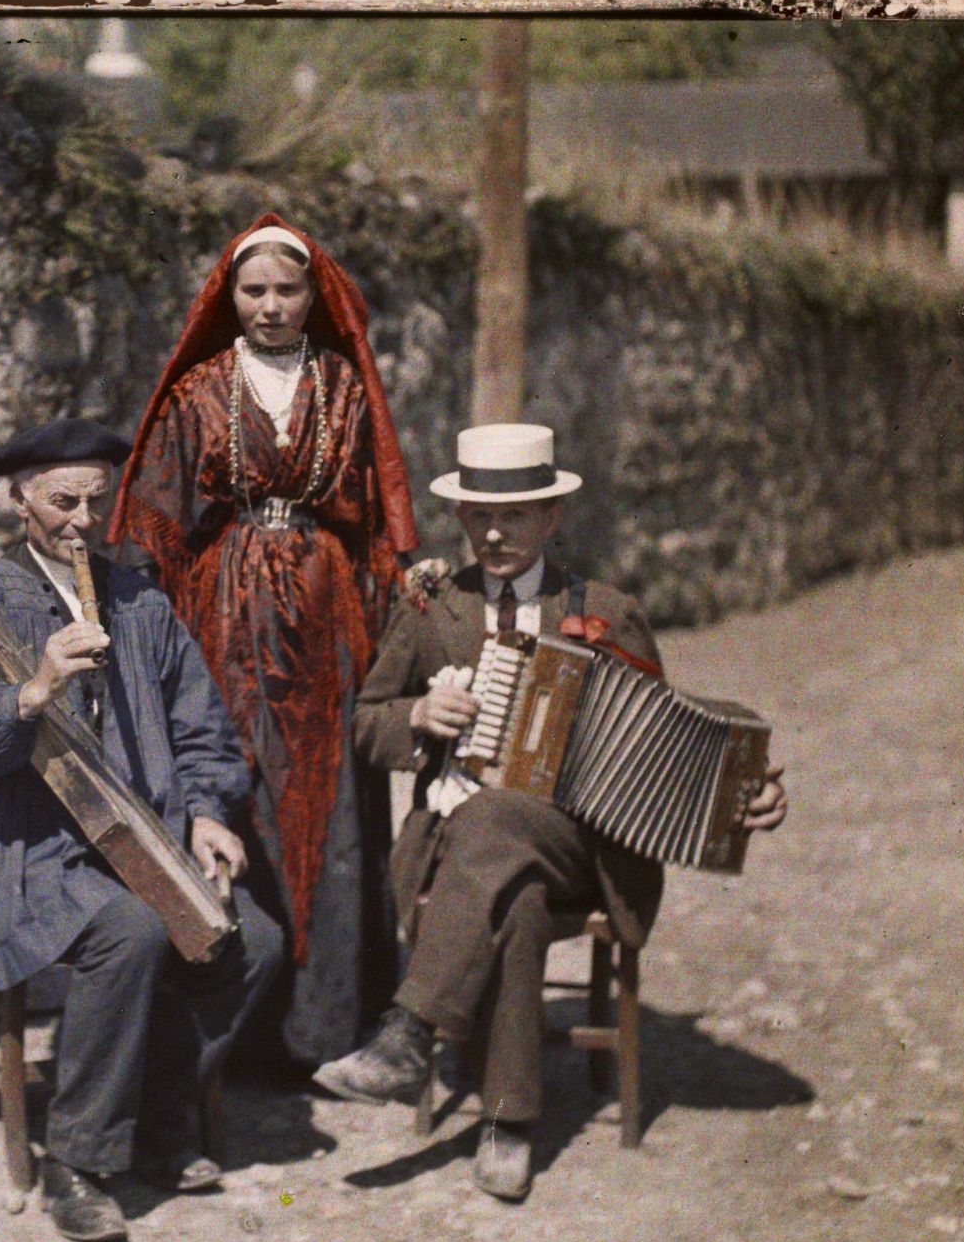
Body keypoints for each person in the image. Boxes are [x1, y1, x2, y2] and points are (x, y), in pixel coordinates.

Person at [315, 424, 787, 1202]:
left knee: (498, 821)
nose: (493, 533)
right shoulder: (433, 607)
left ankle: (408, 1031)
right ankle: (509, 1122)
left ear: (552, 518)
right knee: (515, 891)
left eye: (515, 515)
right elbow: (366, 721)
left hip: (581, 844)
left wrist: (750, 783)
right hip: (457, 840)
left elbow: (675, 727)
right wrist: (419, 716)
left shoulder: (605, 609)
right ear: (461, 519)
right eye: (477, 516)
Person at [0, 419, 286, 1242]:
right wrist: (29, 692)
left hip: (141, 841)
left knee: (253, 937)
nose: (80, 520)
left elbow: (202, 727)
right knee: (135, 931)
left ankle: (156, 1116)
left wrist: (210, 810)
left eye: (95, 503)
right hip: (25, 856)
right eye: (60, 501)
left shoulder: (139, 599)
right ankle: (75, 1160)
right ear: (19, 499)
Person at [108, 214, 419, 1068]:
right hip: (226, 617)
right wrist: (137, 629)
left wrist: (388, 614)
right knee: (237, 791)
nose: (272, 306)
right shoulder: (198, 390)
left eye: (288, 290)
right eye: (255, 291)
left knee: (329, 804)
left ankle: (324, 1028)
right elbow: (156, 522)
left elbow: (376, 522)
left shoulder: (346, 388)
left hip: (325, 620)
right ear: (230, 296)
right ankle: (234, 1035)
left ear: (315, 295)